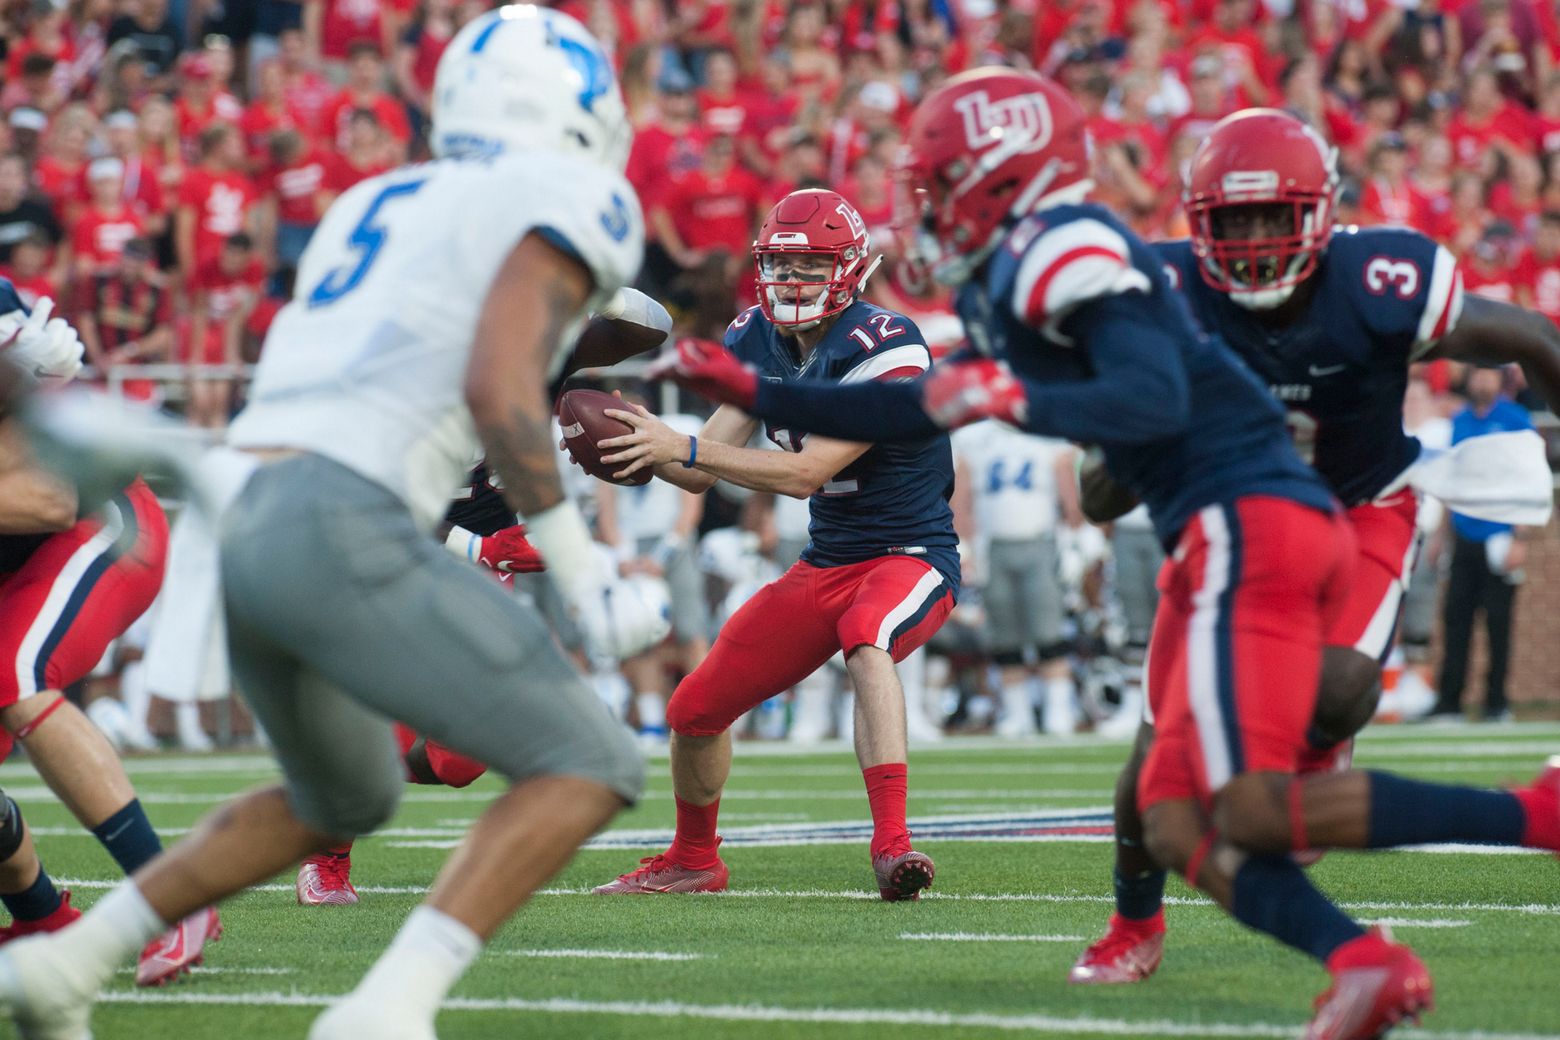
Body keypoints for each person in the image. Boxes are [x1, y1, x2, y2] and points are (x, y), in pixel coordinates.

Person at [658, 69, 1560, 1039]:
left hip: (1260, 527)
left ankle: (1523, 825)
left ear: (1004, 181)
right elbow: (933, 410)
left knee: (1243, 807)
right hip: (1222, 531)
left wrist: (1023, 403)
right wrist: (756, 388)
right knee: (1169, 809)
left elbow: (1140, 400)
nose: (924, 202)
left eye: (944, 179)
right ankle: (1359, 957)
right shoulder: (1025, 277)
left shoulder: (1073, 254)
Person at [0, 10, 661, 1040]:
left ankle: (68, 960)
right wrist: (584, 568)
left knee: (341, 793)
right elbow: (500, 380)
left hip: (243, 515)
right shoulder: (572, 195)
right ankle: (388, 1011)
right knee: (592, 760)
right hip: (343, 513)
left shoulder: (375, 199)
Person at [1074, 108, 1560, 986]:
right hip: (1228, 533)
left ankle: (1326, 759)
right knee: (1150, 774)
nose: (1257, 241)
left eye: (1275, 216)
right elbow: (1096, 491)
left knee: (1338, 686)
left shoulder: (1381, 278)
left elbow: (1534, 338)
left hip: (1361, 502)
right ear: (1198, 225)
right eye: (1236, 221)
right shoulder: (1161, 295)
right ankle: (1132, 923)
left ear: (1322, 214)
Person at [590, 188, 958, 901]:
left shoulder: (886, 344)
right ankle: (694, 858)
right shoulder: (757, 336)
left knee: (867, 634)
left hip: (910, 554)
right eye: (781, 268)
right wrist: (628, 439)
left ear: (849, 270)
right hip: (826, 562)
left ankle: (893, 845)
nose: (791, 284)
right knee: (693, 711)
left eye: (810, 268)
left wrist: (683, 444)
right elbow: (698, 469)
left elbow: (803, 472)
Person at [0, 286, 216, 988]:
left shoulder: (20, 357)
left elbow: (49, 499)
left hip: (96, 521)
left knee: (15, 674)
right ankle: (40, 916)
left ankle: (167, 894)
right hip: (24, 551)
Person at [950, 421, 1081, 736]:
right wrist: (965, 544)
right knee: (1004, 634)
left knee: (1048, 630)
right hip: (993, 546)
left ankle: (1059, 709)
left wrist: (1076, 538)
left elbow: (1068, 491)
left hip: (1040, 541)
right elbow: (962, 495)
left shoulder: (1048, 432)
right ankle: (1016, 711)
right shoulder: (973, 438)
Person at [1428, 366, 1537, 721]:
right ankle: (1449, 703)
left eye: (1489, 375)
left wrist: (1520, 536)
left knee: (1498, 624)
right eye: (1477, 374)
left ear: (1500, 380)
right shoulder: (1460, 421)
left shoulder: (1515, 419)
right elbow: (1450, 480)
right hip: (1463, 534)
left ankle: (1496, 703)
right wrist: (1441, 535)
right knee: (1456, 620)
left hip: (1500, 536)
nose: (1482, 382)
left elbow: (1529, 477)